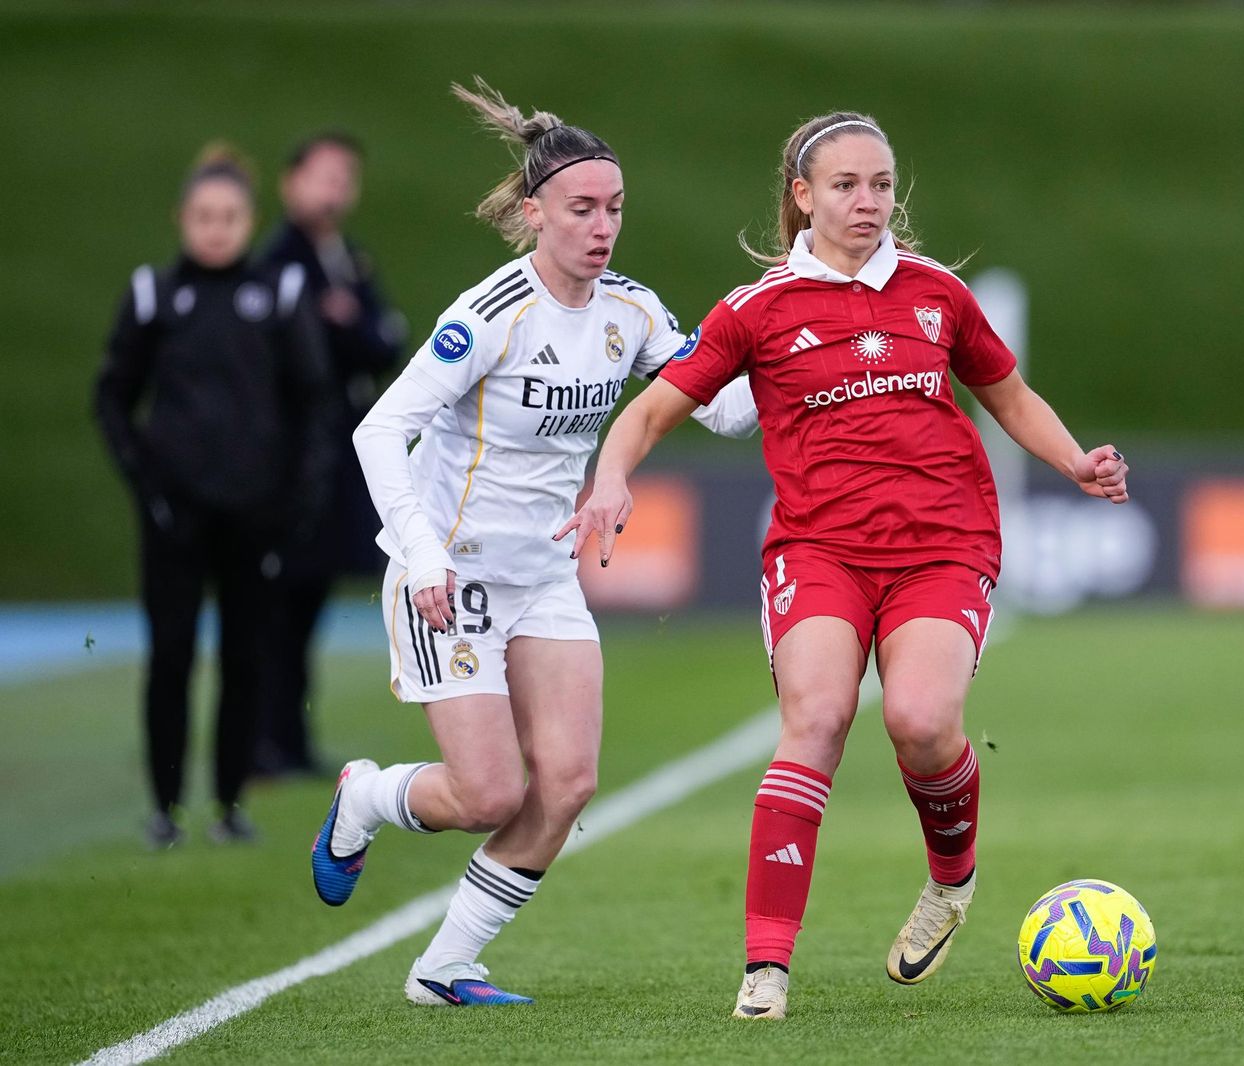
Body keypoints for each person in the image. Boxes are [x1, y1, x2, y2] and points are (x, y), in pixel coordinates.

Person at [558, 111, 1131, 1020]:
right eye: (845, 186)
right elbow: (650, 413)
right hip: (820, 550)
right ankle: (766, 970)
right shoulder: (756, 310)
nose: (867, 202)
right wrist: (611, 480)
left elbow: (1009, 396)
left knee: (920, 719)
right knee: (817, 717)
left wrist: (1077, 464)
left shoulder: (938, 293)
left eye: (880, 185)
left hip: (944, 544)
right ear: (803, 197)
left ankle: (951, 878)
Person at [310, 78, 758, 1007]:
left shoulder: (630, 312)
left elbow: (722, 413)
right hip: (451, 575)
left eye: (616, 209)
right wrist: (422, 555)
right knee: (486, 795)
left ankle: (444, 968)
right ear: (534, 212)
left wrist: (780, 331)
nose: (603, 228)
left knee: (567, 782)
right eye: (583, 209)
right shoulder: (489, 315)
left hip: (543, 576)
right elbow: (376, 432)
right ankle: (366, 796)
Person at [94, 145, 335, 848]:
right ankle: (164, 807)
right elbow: (112, 396)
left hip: (255, 515)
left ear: (248, 219)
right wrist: (147, 484)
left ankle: (231, 804)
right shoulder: (154, 295)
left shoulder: (280, 296)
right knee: (170, 655)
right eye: (203, 216)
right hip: (175, 517)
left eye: (229, 216)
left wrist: (297, 499)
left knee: (245, 657)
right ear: (182, 219)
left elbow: (316, 404)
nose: (216, 229)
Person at [258, 131, 406, 777]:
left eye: (345, 177)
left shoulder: (346, 258)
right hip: (292, 458)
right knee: (278, 602)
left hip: (332, 452)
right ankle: (264, 742)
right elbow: (308, 351)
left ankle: (289, 740)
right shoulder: (282, 262)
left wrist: (355, 326)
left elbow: (382, 339)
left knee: (307, 598)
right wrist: (353, 328)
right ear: (290, 182)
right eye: (323, 176)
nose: (335, 190)